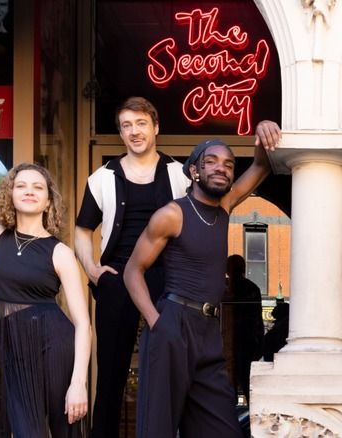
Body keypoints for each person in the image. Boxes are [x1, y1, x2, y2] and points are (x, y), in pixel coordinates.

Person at [124, 126, 280, 437]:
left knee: (223, 430)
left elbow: (261, 166)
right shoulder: (172, 214)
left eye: (229, 164)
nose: (222, 167)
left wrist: (263, 132)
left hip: (209, 331)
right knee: (158, 429)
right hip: (173, 323)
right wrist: (157, 323)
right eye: (212, 161)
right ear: (194, 170)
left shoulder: (225, 205)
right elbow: (132, 271)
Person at [74, 96, 192, 438]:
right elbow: (83, 230)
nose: (134, 131)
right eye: (126, 125)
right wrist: (92, 270)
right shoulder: (102, 177)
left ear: (156, 127)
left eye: (141, 123)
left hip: (169, 278)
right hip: (117, 277)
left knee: (173, 367)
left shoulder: (180, 174)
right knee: (110, 372)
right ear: (121, 133)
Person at [0, 163, 90, 437]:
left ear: (48, 201)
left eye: (37, 187)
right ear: (11, 194)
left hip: (54, 346)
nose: (29, 191)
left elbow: (83, 324)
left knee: (64, 430)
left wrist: (79, 382)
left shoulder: (60, 252)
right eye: (21, 185)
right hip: (15, 351)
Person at [225, 254, 264, 403]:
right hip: (247, 343)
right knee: (247, 385)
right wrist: (259, 344)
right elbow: (257, 321)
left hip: (228, 343)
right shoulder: (252, 288)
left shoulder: (224, 288)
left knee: (228, 386)